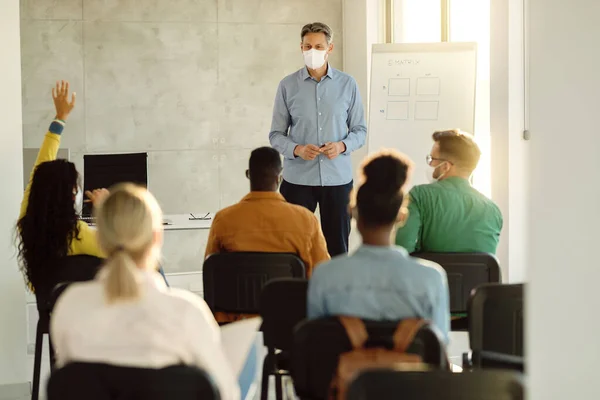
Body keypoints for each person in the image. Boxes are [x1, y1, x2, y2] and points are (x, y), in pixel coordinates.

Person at [51, 184, 240, 400]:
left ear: (101, 240)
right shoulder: (186, 313)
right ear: (157, 237)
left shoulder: (69, 306)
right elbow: (226, 394)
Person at [307, 150, 450, 343]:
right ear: (402, 217)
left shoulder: (324, 276)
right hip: (408, 373)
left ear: (353, 212)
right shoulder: (431, 278)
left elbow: (315, 347)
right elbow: (439, 348)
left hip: (346, 372)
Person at [269, 22, 367, 257]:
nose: (313, 51)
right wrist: (297, 149)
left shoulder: (347, 84)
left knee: (337, 248)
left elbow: (360, 130)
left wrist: (342, 145)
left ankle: (334, 292)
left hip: (338, 181)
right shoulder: (287, 85)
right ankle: (295, 292)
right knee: (292, 245)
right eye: (308, 46)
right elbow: (276, 135)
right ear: (301, 48)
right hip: (298, 179)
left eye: (318, 46)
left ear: (329, 48)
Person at [16, 81, 108, 292]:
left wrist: (60, 119)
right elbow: (125, 250)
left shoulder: (27, 224)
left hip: (49, 321)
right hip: (86, 319)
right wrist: (104, 209)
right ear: (70, 195)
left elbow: (40, 168)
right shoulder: (78, 234)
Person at [205, 146, 329, 274]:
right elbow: (324, 274)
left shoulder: (223, 220)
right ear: (279, 178)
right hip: (289, 294)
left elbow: (210, 272)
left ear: (249, 175)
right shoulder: (306, 220)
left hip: (240, 294)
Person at [395, 129, 503, 254]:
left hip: (432, 274)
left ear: (445, 166)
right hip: (474, 275)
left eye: (431, 159)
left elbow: (401, 252)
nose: (430, 164)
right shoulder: (493, 210)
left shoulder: (419, 196)